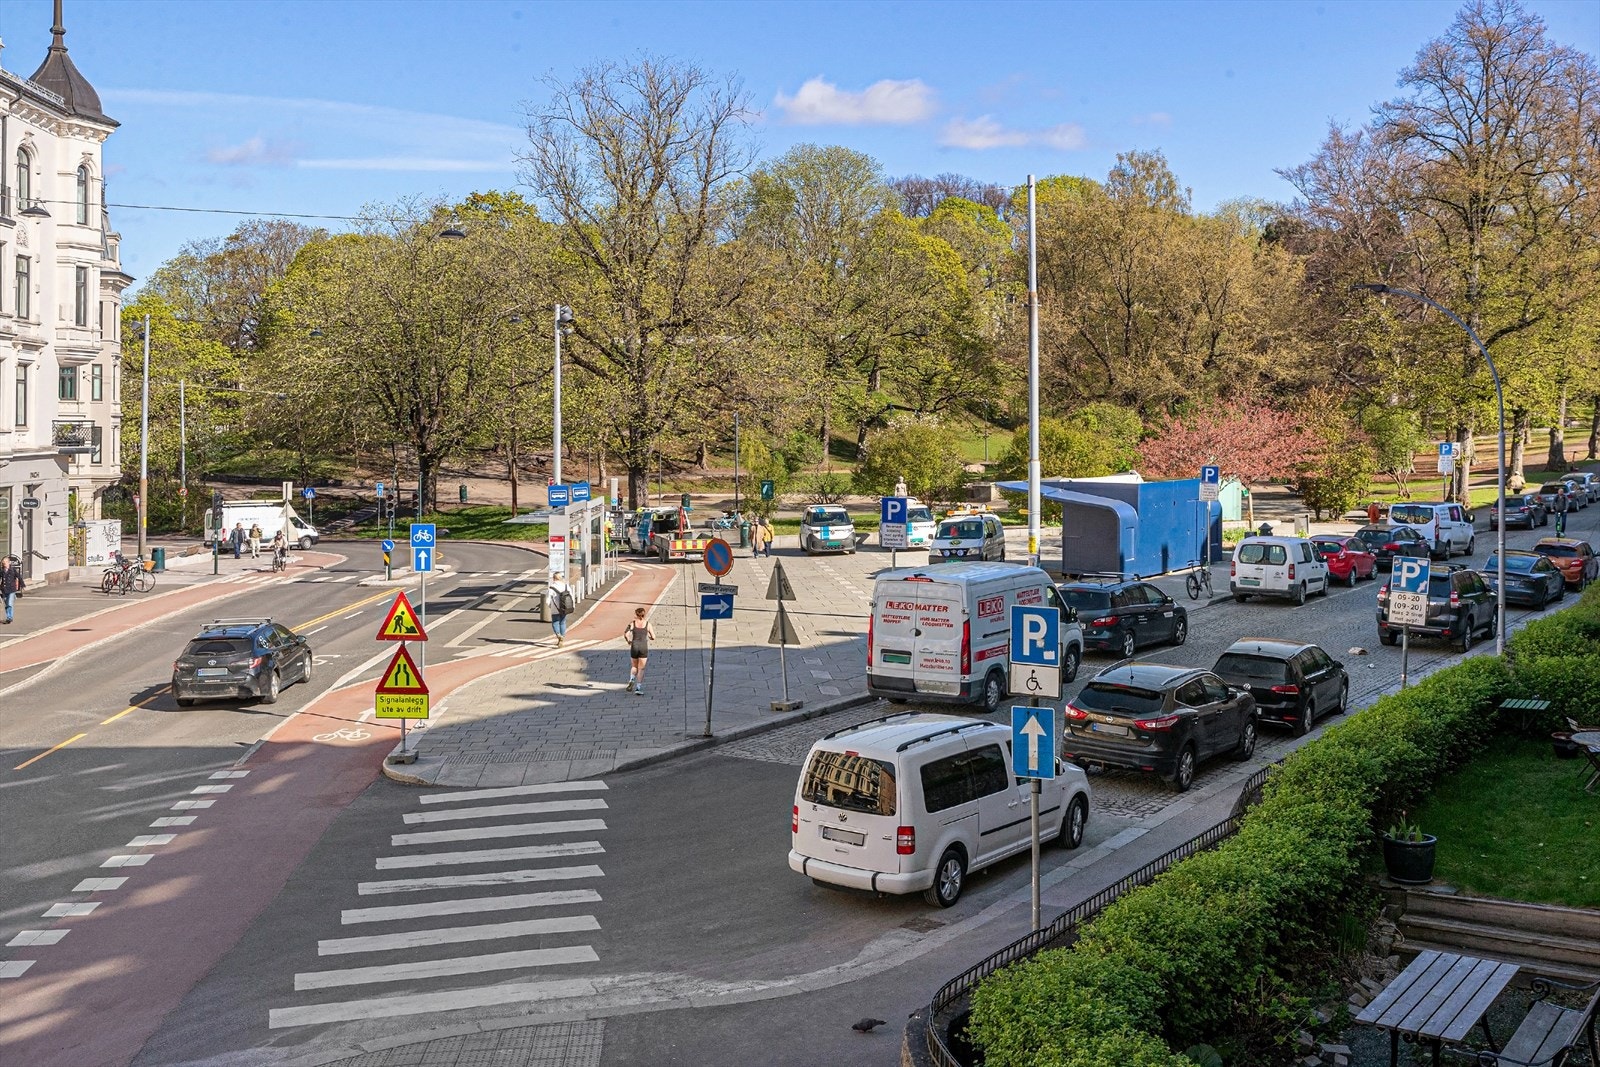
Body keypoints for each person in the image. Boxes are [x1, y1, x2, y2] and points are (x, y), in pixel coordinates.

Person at [623, 607, 655, 695]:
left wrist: (628, 641)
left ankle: (631, 679)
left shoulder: (632, 623)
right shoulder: (648, 624)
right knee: (641, 668)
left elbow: (626, 634)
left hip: (634, 646)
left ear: (636, 614)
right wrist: (650, 637)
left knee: (634, 666)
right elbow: (653, 636)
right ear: (644, 615)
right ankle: (638, 688)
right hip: (643, 647)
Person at [547, 571, 574, 646]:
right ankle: (562, 638)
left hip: (555, 608)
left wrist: (550, 606)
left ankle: (559, 636)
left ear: (554, 578)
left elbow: (547, 600)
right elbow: (571, 596)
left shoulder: (552, 588)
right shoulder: (566, 586)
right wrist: (572, 606)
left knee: (555, 623)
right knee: (563, 622)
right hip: (565, 608)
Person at [0, 556, 24, 625]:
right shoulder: (1, 570)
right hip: (4, 589)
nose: (4, 565)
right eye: (3, 563)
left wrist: (22, 585)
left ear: (8, 563)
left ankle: (9, 618)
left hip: (11, 589)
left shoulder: (12, 570)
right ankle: (9, 617)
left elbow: (19, 577)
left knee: (10, 603)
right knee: (6, 604)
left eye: (5, 563)